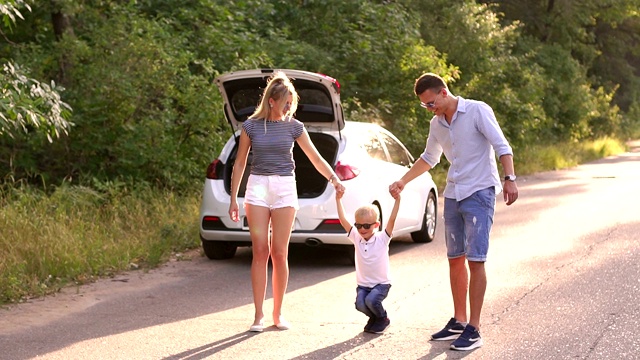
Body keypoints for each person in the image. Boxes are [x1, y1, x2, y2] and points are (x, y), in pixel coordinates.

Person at [389, 73, 518, 351]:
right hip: (454, 194)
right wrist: (403, 180)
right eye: (425, 105)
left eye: (431, 103)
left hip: (479, 192)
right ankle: (459, 321)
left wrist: (510, 178)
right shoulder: (437, 124)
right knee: (455, 259)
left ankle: (474, 328)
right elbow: (429, 158)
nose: (430, 109)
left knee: (476, 260)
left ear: (444, 92)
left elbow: (501, 145)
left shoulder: (477, 111)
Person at [228, 71, 345, 332]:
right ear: (272, 101)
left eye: (291, 102)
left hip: (284, 188)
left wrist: (335, 179)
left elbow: (315, 158)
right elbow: (239, 162)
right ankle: (258, 315)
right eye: (286, 102)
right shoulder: (250, 126)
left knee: (280, 253)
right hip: (257, 187)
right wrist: (234, 199)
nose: (290, 106)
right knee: (260, 251)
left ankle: (277, 314)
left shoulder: (295, 126)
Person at [335, 189, 400, 334]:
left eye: (366, 226)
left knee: (371, 301)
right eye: (358, 226)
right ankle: (374, 318)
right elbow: (343, 220)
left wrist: (397, 200)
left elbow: (392, 220)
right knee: (360, 304)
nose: (362, 229)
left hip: (381, 284)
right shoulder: (356, 237)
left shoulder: (382, 238)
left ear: (376, 225)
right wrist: (338, 199)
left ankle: (383, 318)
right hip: (363, 285)